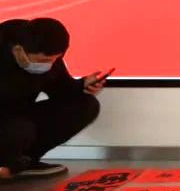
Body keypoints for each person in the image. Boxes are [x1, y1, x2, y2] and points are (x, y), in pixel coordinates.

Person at [0, 18, 106, 180]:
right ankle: (8, 164)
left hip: (18, 117)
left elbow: (61, 91)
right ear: (18, 50)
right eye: (42, 61)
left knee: (85, 105)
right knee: (20, 128)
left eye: (55, 59)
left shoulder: (47, 54)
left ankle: (25, 162)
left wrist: (82, 85)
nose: (48, 65)